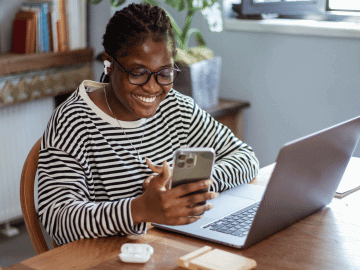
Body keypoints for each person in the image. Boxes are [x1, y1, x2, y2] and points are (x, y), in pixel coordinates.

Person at [37, 3, 259, 246]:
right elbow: (57, 219)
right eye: (138, 72)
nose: (152, 87)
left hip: (161, 249)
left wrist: (191, 185)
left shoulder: (175, 107)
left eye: (164, 73)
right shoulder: (73, 121)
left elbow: (245, 157)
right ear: (109, 64)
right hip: (104, 258)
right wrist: (140, 209)